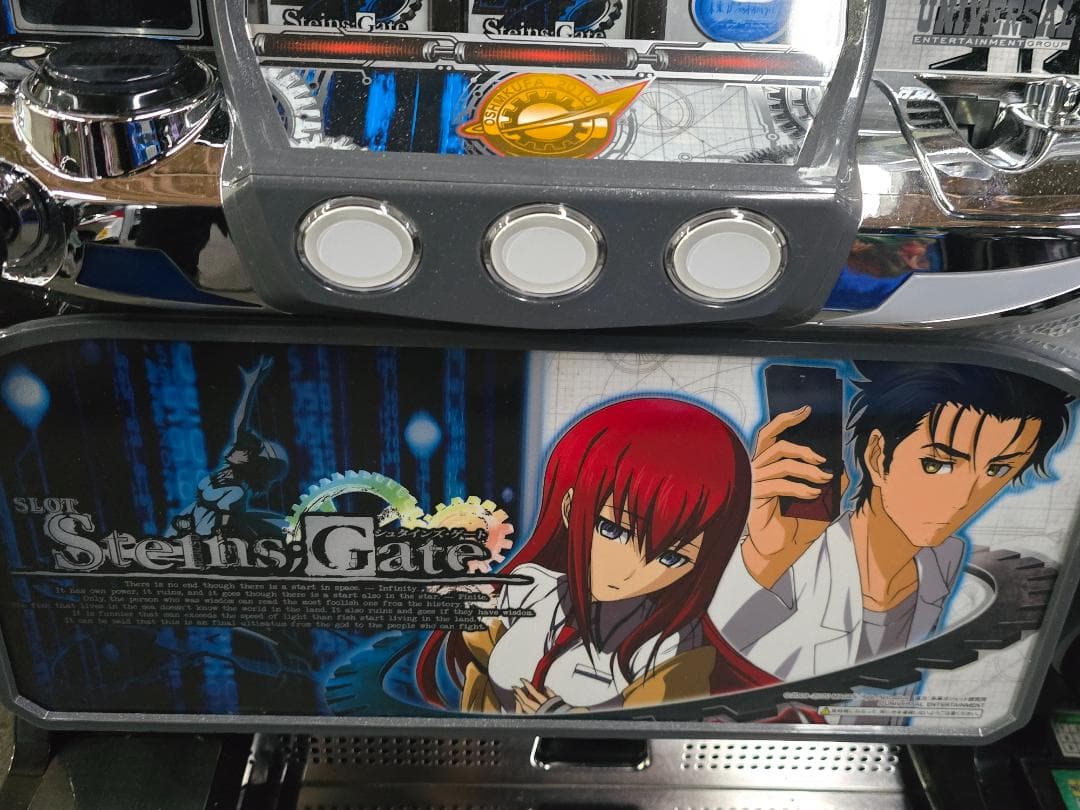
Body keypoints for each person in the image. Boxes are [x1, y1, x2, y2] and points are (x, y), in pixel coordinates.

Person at [712, 362, 1073, 681]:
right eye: (936, 464)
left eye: (997, 470)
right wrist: (765, 560)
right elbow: (703, 662)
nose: (965, 497)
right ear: (877, 456)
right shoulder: (789, 563)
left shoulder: (943, 559)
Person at [416, 397, 777, 714]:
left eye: (671, 558)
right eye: (613, 530)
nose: (630, 573)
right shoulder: (534, 586)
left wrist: (566, 719)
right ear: (570, 508)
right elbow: (488, 645)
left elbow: (656, 720)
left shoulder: (667, 647)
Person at [169, 357, 288, 539]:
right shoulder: (227, 471)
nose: (238, 447)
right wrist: (250, 385)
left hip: (208, 535)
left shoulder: (236, 491)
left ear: (253, 463)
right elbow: (239, 423)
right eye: (243, 446)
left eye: (247, 450)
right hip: (189, 521)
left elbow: (222, 529)